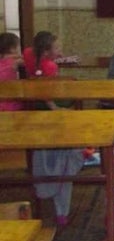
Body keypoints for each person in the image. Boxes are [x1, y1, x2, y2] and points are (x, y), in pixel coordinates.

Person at [23, 31, 84, 226]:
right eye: (56, 48)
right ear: (46, 51)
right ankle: (61, 210)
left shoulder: (28, 54)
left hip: (33, 114)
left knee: (43, 154)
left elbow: (28, 61)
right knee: (62, 155)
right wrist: (55, 107)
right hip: (49, 113)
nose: (60, 50)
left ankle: (42, 190)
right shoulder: (50, 67)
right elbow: (47, 93)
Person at [0, 32, 24, 111]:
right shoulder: (15, 61)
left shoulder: (3, 59)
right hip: (10, 101)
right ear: (12, 49)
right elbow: (26, 61)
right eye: (18, 46)